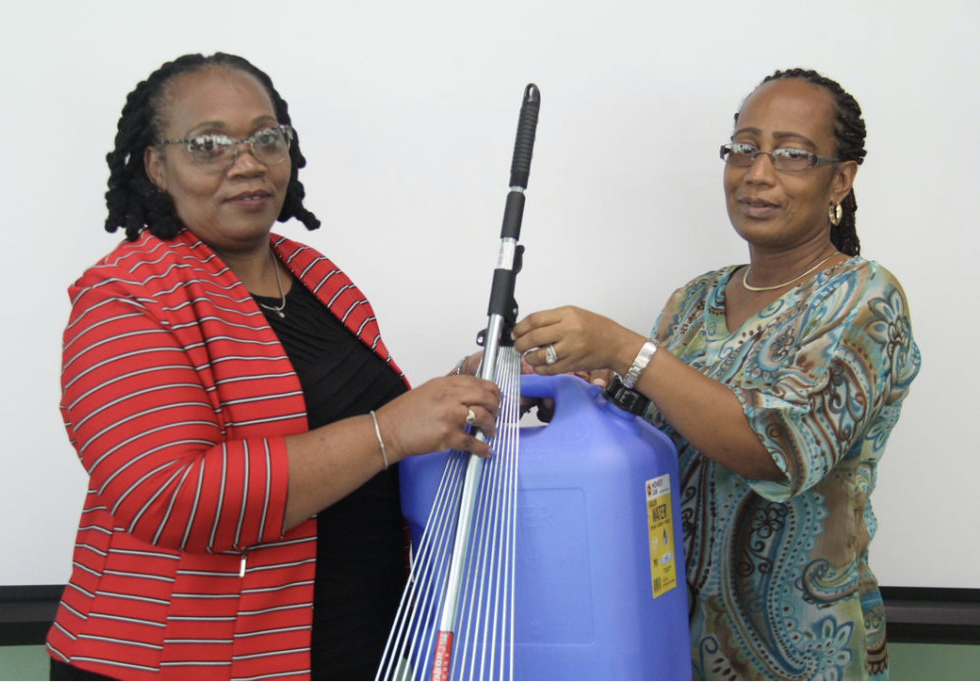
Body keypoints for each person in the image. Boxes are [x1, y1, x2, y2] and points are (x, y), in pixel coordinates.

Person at [46, 52, 501, 681]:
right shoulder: (126, 298)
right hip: (182, 663)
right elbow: (170, 496)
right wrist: (391, 431)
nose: (248, 162)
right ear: (156, 166)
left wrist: (467, 389)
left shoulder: (316, 277)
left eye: (267, 137)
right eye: (209, 144)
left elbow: (352, 423)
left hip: (354, 646)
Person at [511, 68, 921, 680]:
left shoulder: (863, 296)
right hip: (665, 641)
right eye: (744, 148)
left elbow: (777, 451)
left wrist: (625, 348)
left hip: (804, 657)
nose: (757, 173)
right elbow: (647, 436)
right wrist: (568, 385)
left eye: (791, 154)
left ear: (841, 178)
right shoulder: (695, 300)